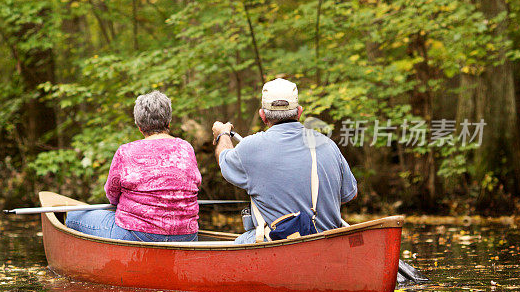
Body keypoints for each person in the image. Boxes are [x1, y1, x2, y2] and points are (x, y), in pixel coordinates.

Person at [211, 78, 357, 243]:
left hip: (281, 246)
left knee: (241, 241)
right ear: (299, 112)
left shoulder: (250, 148)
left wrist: (223, 133)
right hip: (330, 243)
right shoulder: (328, 145)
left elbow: (223, 159)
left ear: (263, 116)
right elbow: (349, 194)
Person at [66, 91, 201, 242]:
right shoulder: (186, 148)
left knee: (73, 216)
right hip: (186, 236)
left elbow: (112, 194)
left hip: (138, 234)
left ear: (139, 126)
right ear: (168, 122)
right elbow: (195, 185)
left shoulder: (126, 151)